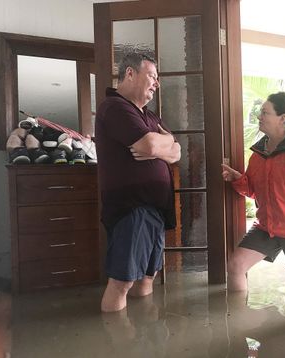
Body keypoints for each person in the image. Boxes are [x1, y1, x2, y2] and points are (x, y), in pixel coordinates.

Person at [95, 52, 181, 312]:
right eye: (152, 76)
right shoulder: (115, 107)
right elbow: (151, 143)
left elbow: (176, 151)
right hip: (131, 208)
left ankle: (144, 336)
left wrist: (163, 146)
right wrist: (157, 145)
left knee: (147, 277)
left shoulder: (150, 116)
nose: (156, 83)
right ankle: (117, 343)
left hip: (155, 207)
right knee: (122, 281)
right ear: (130, 73)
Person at [222, 92, 285, 291]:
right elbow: (253, 191)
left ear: (282, 118)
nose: (259, 116)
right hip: (267, 227)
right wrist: (237, 179)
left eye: (265, 112)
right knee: (235, 266)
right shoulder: (258, 155)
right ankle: (236, 319)